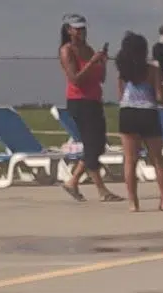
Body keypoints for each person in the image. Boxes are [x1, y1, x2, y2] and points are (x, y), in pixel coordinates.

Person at [57, 15, 121, 203]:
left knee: (98, 144)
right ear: (69, 30)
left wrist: (102, 63)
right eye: (77, 28)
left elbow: (100, 78)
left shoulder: (88, 49)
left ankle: (73, 181)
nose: (81, 32)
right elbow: (75, 78)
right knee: (92, 144)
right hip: (79, 101)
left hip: (94, 100)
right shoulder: (67, 50)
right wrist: (92, 62)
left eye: (83, 28)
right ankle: (100, 190)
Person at [114, 32, 163, 212]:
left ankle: (133, 202)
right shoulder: (152, 69)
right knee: (158, 160)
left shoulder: (123, 72)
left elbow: (120, 96)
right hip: (148, 112)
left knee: (130, 160)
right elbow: (160, 96)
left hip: (128, 112)